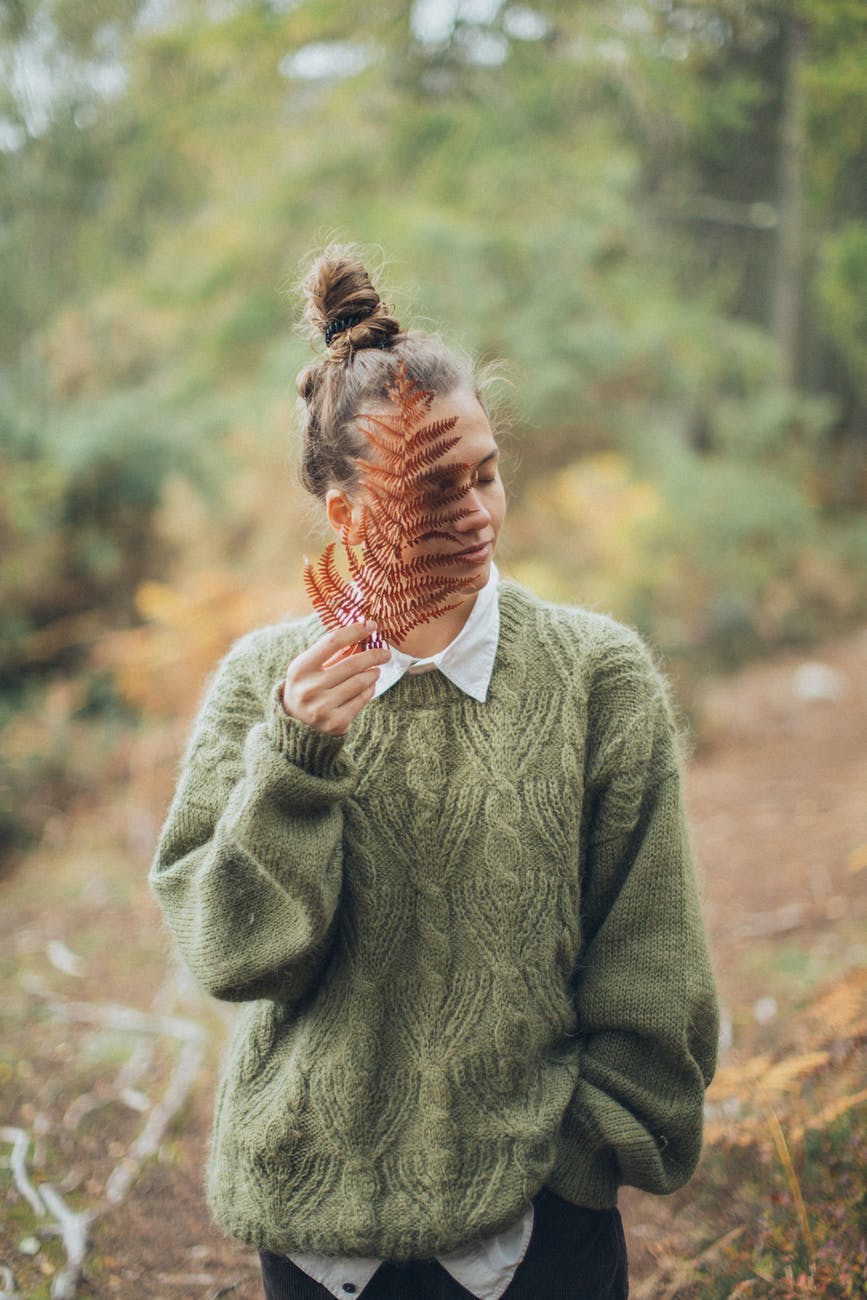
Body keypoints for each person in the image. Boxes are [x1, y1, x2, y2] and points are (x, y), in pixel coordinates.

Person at [150, 246, 719, 1300]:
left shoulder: (596, 679)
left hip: (533, 1240)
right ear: (344, 514)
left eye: (485, 473)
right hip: (314, 1241)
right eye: (430, 488)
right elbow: (233, 955)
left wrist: (576, 1174)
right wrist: (294, 764)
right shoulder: (262, 685)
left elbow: (654, 961)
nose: (474, 513)